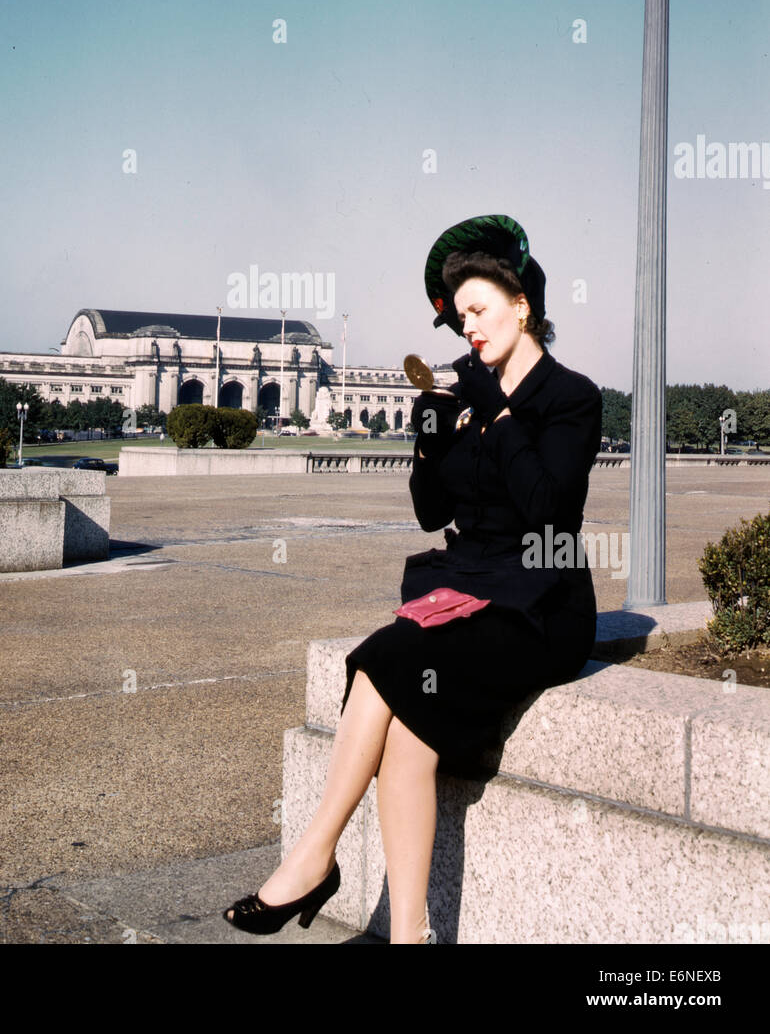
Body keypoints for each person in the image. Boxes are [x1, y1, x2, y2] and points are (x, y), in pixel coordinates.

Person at [223, 214, 603, 943]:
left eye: (479, 311)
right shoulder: (463, 395)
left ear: (523, 306)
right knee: (407, 737)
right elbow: (433, 516)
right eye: (459, 318)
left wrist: (491, 407)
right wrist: (429, 441)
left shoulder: (571, 398)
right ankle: (410, 936)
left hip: (541, 599)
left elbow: (549, 508)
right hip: (468, 582)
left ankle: (312, 857)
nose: (467, 329)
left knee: (381, 659)